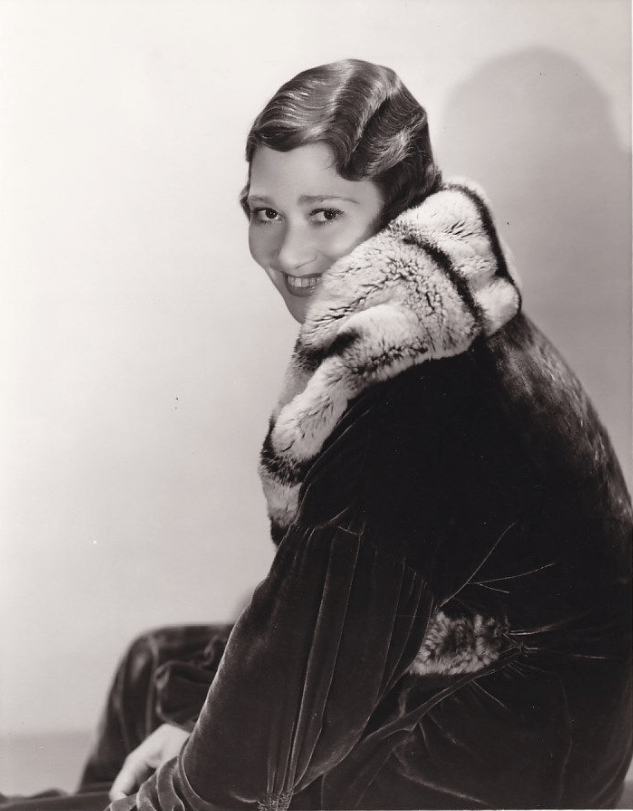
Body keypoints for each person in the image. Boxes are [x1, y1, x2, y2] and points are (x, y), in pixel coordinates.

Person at [4, 58, 631, 811]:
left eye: (324, 213)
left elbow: (294, 683)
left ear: (398, 204)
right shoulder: (445, 316)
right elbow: (325, 599)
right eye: (264, 213)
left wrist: (180, 785)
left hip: (483, 762)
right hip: (522, 710)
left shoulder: (417, 393)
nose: (288, 254)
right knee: (158, 668)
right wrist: (197, 716)